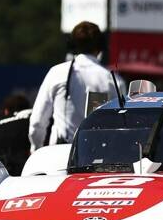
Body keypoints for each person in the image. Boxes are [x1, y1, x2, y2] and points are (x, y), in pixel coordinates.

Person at [28, 21, 122, 152]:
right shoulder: (113, 80)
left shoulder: (57, 73)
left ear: (72, 45)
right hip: (97, 156)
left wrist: (36, 149)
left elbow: (37, 124)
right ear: (101, 46)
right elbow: (121, 124)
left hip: (59, 155)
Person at [0, 93, 33, 175]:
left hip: (3, 180)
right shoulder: (33, 118)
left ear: (6, 111)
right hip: (31, 174)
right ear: (27, 108)